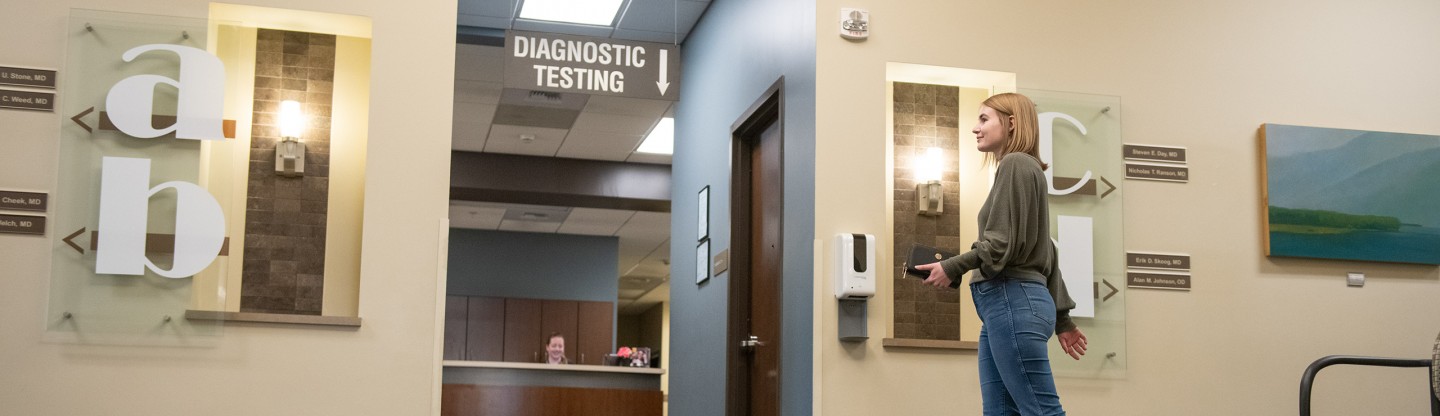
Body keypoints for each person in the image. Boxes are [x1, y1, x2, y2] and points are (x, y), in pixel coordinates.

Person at [912, 92, 1089, 416]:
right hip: (1007, 306)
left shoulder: (1016, 163)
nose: (975, 128)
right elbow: (1045, 249)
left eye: (984, 119)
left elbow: (999, 244)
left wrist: (952, 266)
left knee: (1042, 411)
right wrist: (1061, 318)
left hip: (1012, 300)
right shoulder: (1026, 169)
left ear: (1011, 123)